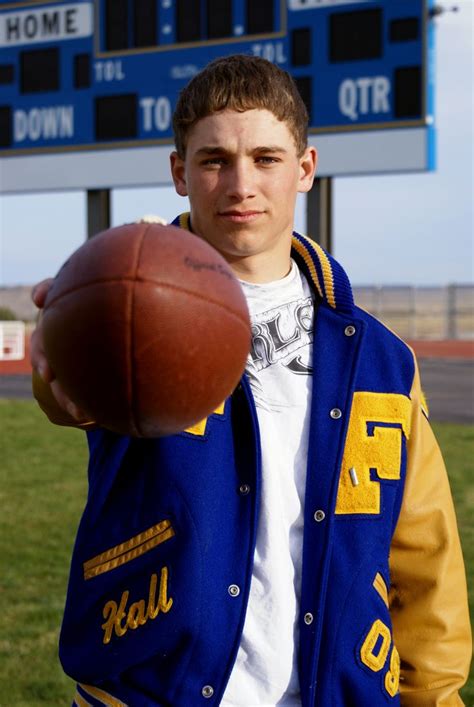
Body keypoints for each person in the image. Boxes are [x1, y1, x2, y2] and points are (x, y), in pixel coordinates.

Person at [31, 55, 471, 707]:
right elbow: (66, 394)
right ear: (180, 173)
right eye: (214, 160)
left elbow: (422, 551)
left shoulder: (379, 358)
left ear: (305, 169)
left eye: (266, 158)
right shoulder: (127, 310)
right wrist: (66, 350)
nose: (241, 184)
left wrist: (434, 694)